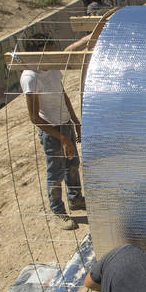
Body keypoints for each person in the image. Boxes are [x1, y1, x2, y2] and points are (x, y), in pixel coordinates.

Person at [20, 34, 85, 230]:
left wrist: (74, 119)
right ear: (38, 53)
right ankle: (58, 210)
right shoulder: (30, 77)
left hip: (64, 124)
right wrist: (62, 138)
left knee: (72, 163)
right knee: (55, 172)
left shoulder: (53, 67)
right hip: (51, 130)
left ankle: (76, 199)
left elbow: (61, 92)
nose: (53, 53)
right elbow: (34, 118)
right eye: (48, 50)